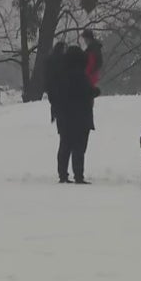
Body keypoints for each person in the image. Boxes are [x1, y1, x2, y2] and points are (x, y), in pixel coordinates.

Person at [54, 46, 98, 184]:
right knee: (79, 147)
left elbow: (56, 95)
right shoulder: (82, 76)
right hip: (81, 116)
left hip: (64, 116)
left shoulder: (60, 75)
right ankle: (78, 175)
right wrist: (96, 91)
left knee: (65, 145)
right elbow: (87, 93)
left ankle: (63, 174)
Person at [44, 42, 67, 123]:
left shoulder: (50, 59)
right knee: (60, 101)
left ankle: (53, 115)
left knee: (54, 101)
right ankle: (58, 115)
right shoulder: (64, 59)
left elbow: (46, 73)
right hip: (61, 83)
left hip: (51, 83)